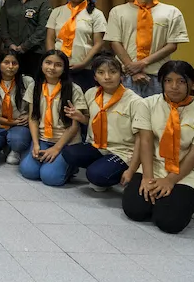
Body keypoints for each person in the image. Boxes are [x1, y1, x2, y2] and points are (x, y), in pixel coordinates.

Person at [122, 61, 194, 234]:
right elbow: (145, 141)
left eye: (181, 81)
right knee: (135, 210)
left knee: (169, 223)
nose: (174, 87)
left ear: (193, 84)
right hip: (155, 165)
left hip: (187, 173)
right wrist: (148, 177)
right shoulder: (147, 104)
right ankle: (167, 199)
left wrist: (170, 181)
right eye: (168, 81)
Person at [60, 54, 144, 190]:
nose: (107, 77)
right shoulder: (91, 93)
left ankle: (112, 172)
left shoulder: (135, 101)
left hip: (122, 151)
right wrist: (80, 117)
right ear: (94, 77)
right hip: (98, 146)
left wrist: (132, 169)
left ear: (121, 75)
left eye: (113, 72)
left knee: (96, 175)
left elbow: (141, 138)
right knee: (70, 153)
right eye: (101, 72)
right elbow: (91, 119)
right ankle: (105, 168)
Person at [105, 0, 189, 97]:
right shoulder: (118, 11)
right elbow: (115, 42)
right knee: (126, 114)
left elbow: (172, 45)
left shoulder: (171, 12)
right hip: (125, 74)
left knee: (157, 114)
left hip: (158, 74)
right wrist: (133, 69)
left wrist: (143, 63)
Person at [19, 50, 88, 186]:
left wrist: (56, 148)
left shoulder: (73, 89)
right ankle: (40, 155)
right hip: (43, 139)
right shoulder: (35, 86)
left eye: (58, 65)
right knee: (28, 172)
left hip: (66, 142)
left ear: (64, 68)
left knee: (50, 178)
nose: (52, 68)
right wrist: (36, 143)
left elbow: (74, 126)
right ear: (41, 64)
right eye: (48, 63)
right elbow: (33, 118)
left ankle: (71, 166)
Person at [47, 0, 107, 92]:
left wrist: (83, 63)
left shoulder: (96, 14)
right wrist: (52, 59)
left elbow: (99, 43)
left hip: (84, 67)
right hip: (58, 67)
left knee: (81, 104)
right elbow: (50, 38)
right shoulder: (57, 11)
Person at [0, 50, 33, 166]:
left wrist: (28, 116)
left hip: (20, 124)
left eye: (14, 63)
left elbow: (37, 106)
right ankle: (2, 144)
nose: (10, 67)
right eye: (6, 62)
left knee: (18, 141)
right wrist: (10, 122)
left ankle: (15, 149)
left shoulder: (27, 82)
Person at [0, 0, 51, 78]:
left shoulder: (43, 1)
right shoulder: (10, 1)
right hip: (11, 51)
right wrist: (10, 44)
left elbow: (43, 28)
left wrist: (25, 46)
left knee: (33, 83)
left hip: (35, 51)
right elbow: (2, 25)